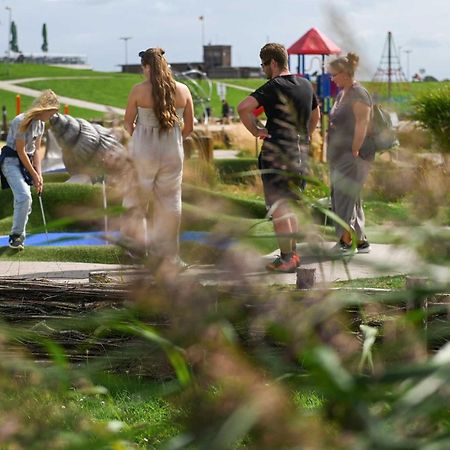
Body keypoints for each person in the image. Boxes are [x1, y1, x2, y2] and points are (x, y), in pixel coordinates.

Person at [238, 43, 320, 273]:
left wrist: (257, 130)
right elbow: (316, 115)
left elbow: (243, 107)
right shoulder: (305, 84)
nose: (263, 69)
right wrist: (306, 135)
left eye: (264, 64)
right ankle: (292, 255)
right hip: (299, 152)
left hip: (277, 153)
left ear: (273, 63)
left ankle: (286, 258)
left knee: (279, 208)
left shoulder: (273, 86)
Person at [123, 47, 194, 268]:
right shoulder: (183, 90)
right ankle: (170, 256)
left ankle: (137, 251)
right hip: (172, 149)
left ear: (146, 67)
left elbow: (128, 123)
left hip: (145, 150)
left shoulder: (138, 90)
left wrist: (141, 137)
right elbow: (190, 127)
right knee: (171, 202)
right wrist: (174, 139)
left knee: (137, 200)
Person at [0, 89, 59, 250]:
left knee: (27, 199)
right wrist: (32, 173)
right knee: (24, 196)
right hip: (11, 161)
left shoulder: (41, 124)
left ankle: (19, 236)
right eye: (51, 112)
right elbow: (21, 151)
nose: (52, 117)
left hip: (26, 161)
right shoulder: (21, 121)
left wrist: (39, 175)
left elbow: (36, 152)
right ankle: (16, 236)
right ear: (43, 109)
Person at [327, 52, 373, 254]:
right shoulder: (342, 93)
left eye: (334, 75)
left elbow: (363, 123)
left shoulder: (359, 93)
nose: (332, 79)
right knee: (349, 197)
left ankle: (346, 242)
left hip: (352, 154)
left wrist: (355, 149)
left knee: (344, 196)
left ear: (345, 73)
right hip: (340, 154)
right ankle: (360, 241)